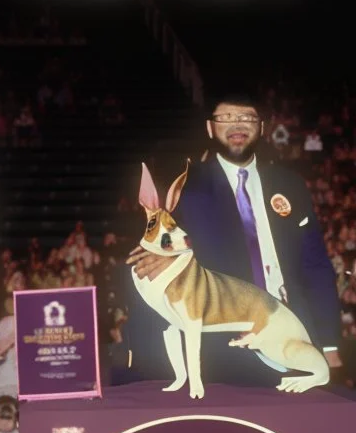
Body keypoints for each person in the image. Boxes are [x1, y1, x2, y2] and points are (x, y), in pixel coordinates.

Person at [124, 91, 342, 387]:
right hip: (222, 342)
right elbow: (158, 251)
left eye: (246, 117)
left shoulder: (290, 185)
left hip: (292, 332)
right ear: (210, 128)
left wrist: (329, 345)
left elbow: (315, 267)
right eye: (225, 117)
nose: (236, 124)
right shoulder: (185, 187)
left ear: (262, 127)